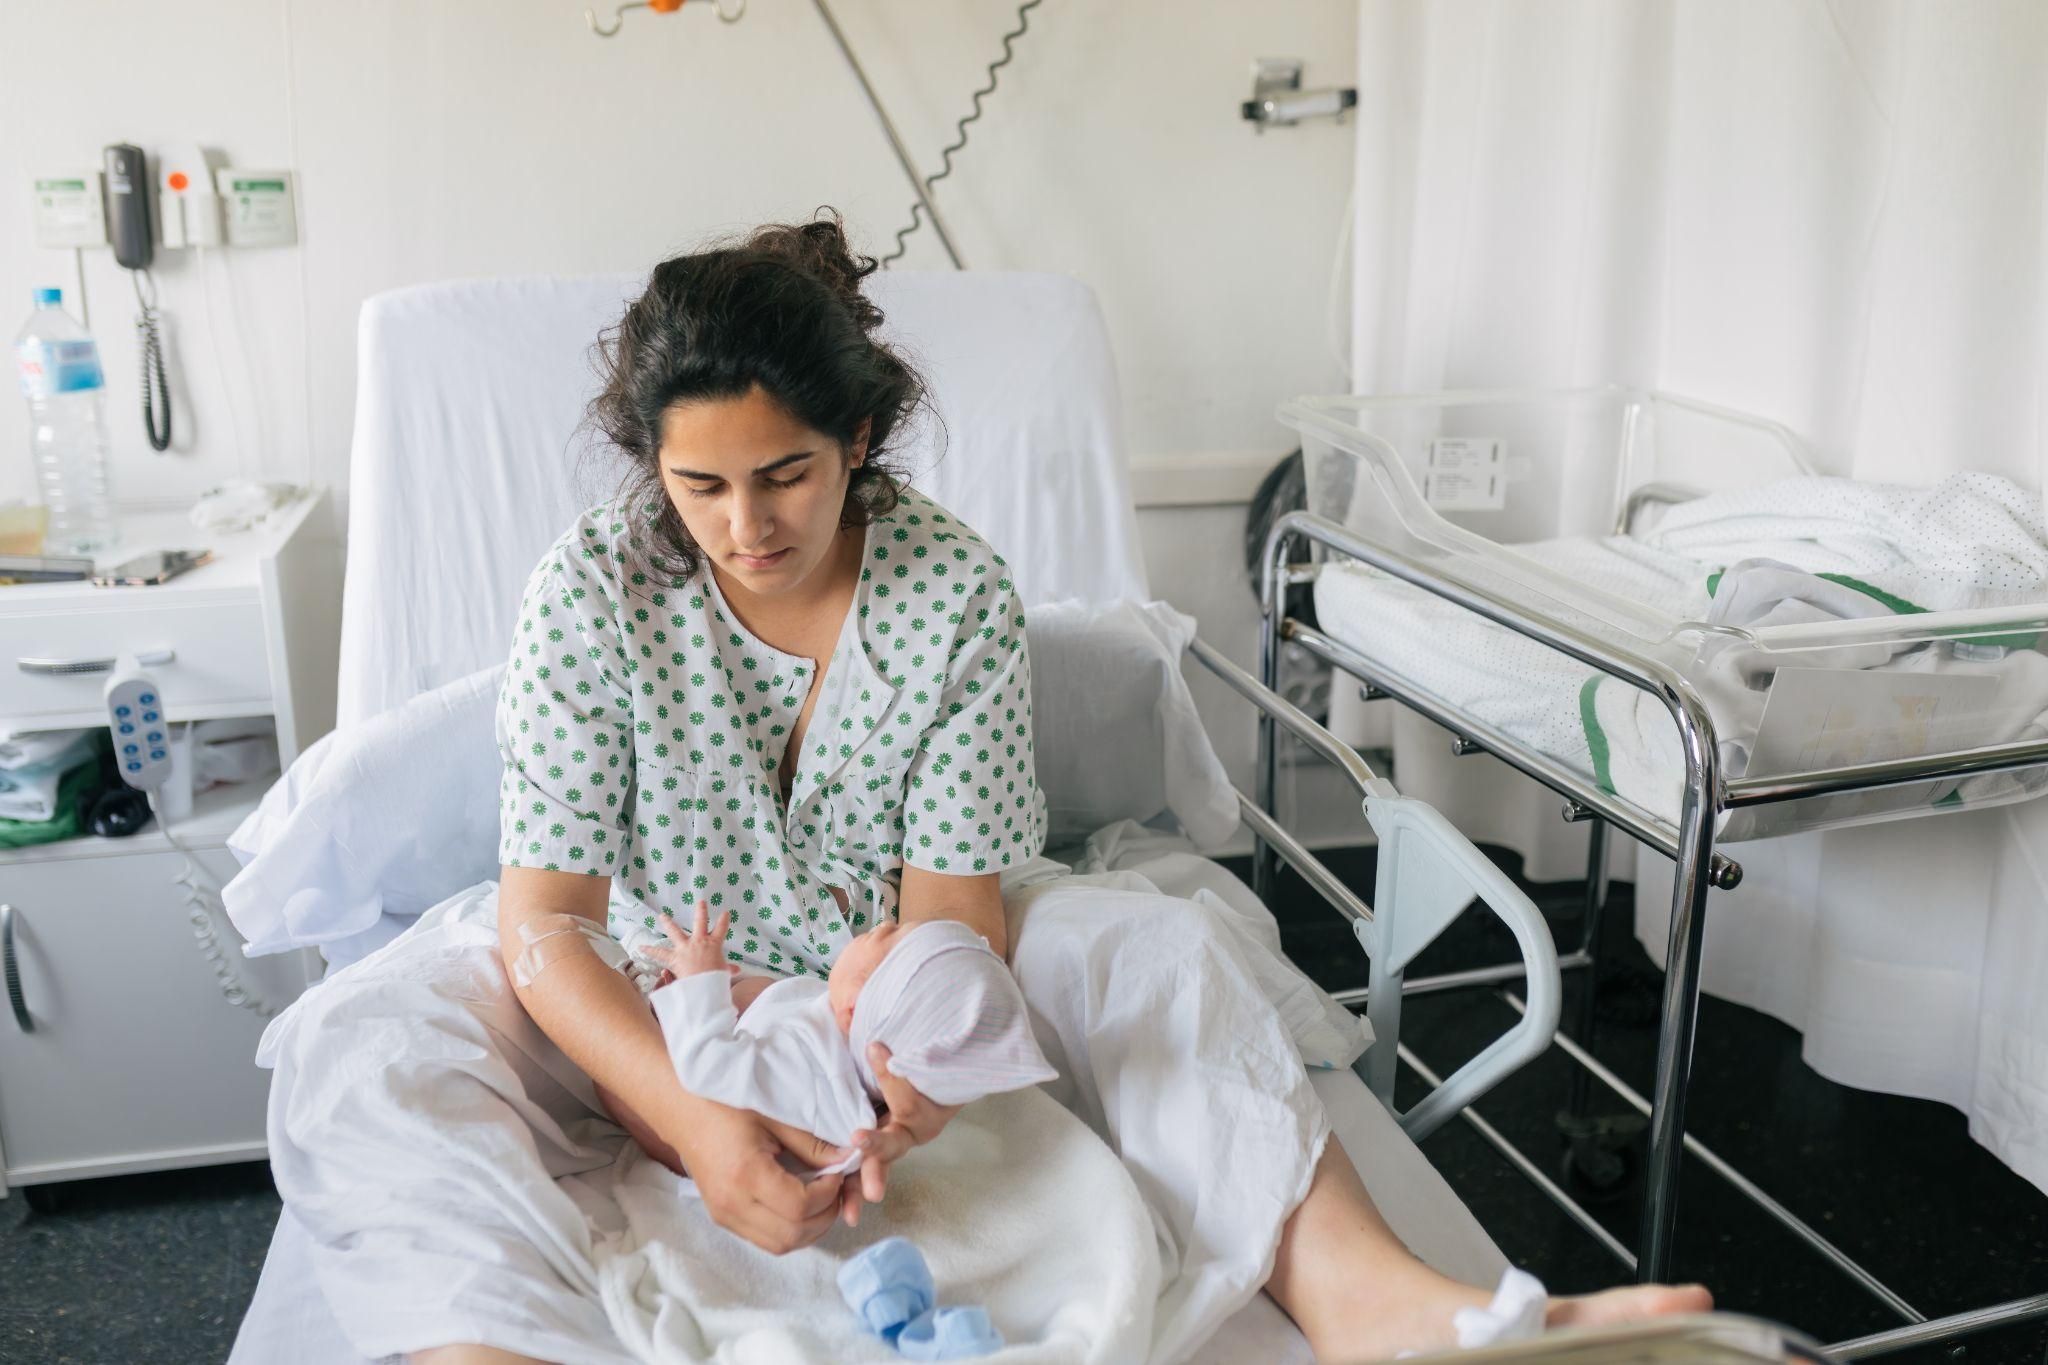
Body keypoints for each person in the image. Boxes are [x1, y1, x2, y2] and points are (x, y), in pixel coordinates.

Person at [388, 214, 1711, 1363]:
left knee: (1156, 941)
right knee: (387, 1043)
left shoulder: (951, 590)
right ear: (653, 469)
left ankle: (1384, 1303)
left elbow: (955, 914)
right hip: (659, 988)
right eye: (701, 487)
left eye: (785, 474)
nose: (746, 528)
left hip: (890, 977)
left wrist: (921, 1053)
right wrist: (682, 1104)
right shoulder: (593, 592)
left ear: (856, 435)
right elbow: (549, 920)